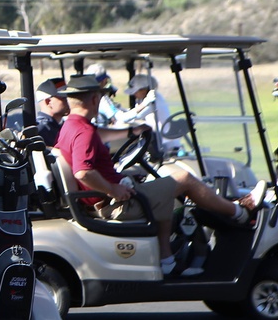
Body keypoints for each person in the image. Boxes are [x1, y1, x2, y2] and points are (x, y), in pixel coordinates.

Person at [55, 75, 264, 278]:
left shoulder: (71, 126)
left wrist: (132, 132)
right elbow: (83, 171)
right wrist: (113, 189)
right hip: (116, 204)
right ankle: (239, 212)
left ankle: (167, 261)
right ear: (94, 99)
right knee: (184, 179)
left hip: (104, 201)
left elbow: (99, 136)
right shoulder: (84, 132)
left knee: (162, 188)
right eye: (99, 96)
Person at [114, 73, 181, 156]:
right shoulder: (144, 99)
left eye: (136, 91)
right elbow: (136, 111)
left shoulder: (153, 100)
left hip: (165, 143)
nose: (134, 94)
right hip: (156, 139)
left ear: (144, 90)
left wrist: (121, 113)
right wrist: (121, 109)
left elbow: (138, 116)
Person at [35, 77, 69, 147]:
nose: (69, 101)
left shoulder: (63, 125)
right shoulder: (41, 129)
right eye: (64, 98)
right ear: (48, 102)